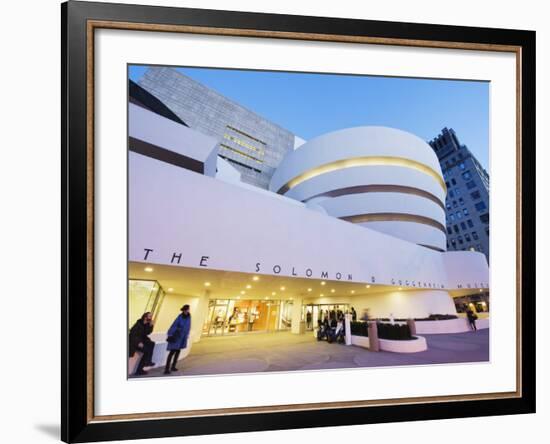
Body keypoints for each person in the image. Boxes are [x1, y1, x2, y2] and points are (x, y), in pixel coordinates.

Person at [164, 304, 192, 375]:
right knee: (172, 352)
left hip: (182, 337)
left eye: (188, 309)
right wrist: (170, 334)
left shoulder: (189, 317)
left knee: (177, 352)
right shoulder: (180, 317)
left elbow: (188, 326)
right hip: (177, 336)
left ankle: (173, 366)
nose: (187, 311)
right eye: (186, 309)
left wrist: (187, 334)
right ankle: (167, 369)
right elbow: (174, 325)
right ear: (184, 310)